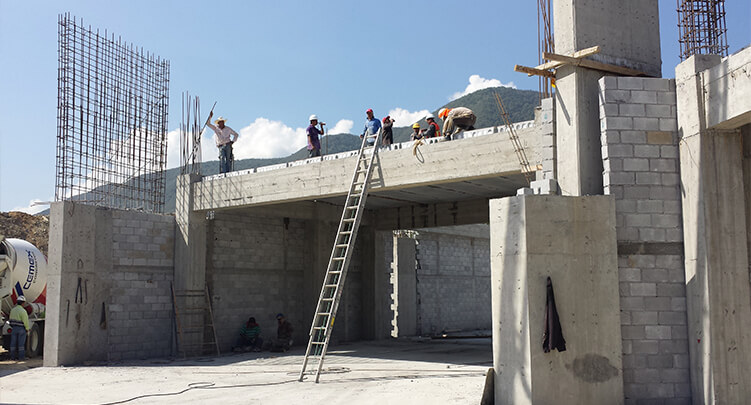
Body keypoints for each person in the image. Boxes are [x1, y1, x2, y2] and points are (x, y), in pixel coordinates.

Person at [9, 296, 30, 361]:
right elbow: (25, 321)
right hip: (21, 329)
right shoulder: (23, 311)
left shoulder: (13, 310)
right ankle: (21, 358)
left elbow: (10, 320)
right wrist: (27, 328)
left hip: (14, 328)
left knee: (13, 344)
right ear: (23, 303)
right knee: (21, 344)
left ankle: (12, 357)